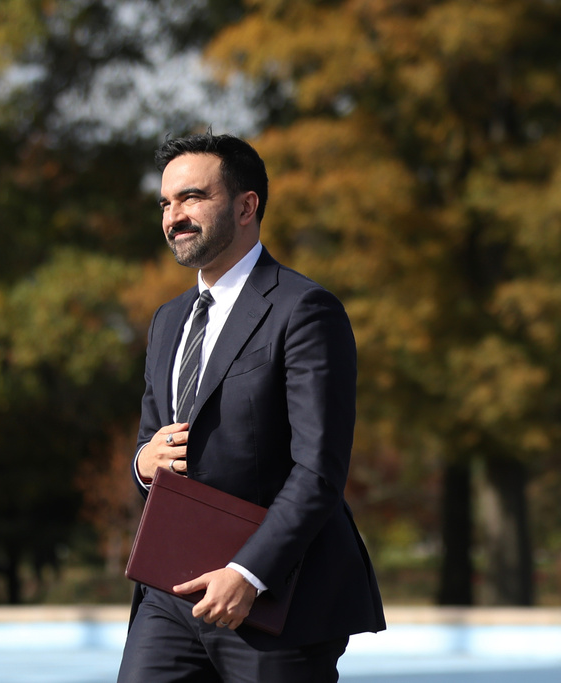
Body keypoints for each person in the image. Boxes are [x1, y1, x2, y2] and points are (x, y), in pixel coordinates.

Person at [117, 133, 385, 683]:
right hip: (169, 597)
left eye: (191, 198)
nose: (174, 216)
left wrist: (249, 573)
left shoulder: (305, 309)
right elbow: (152, 444)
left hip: (276, 598)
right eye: (166, 204)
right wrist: (144, 464)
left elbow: (318, 472)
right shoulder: (168, 321)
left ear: (246, 206)